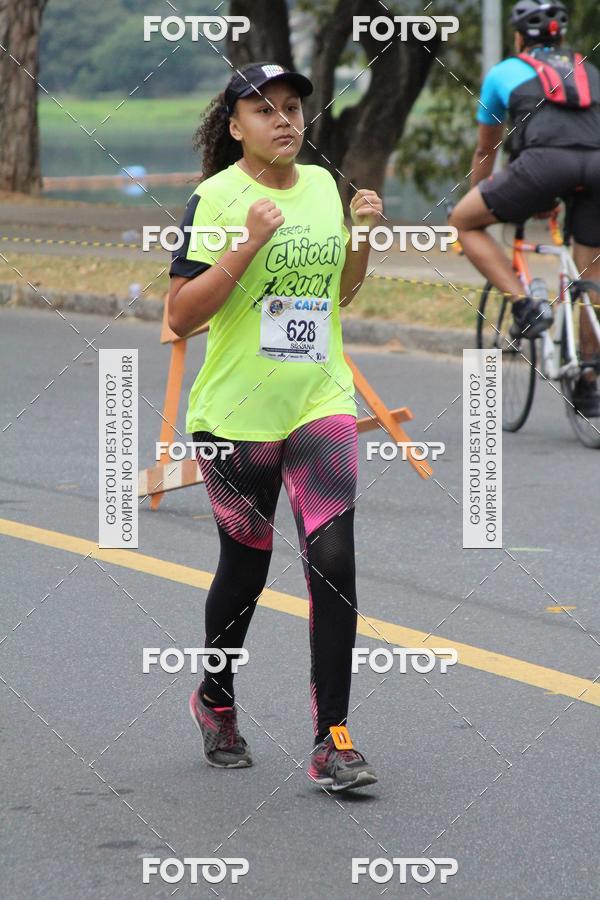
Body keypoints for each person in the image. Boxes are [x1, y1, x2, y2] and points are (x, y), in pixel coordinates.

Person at [168, 61, 383, 790]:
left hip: (319, 400)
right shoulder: (216, 197)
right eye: (265, 110)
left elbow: (342, 294)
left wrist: (360, 238)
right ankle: (216, 699)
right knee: (246, 567)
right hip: (236, 414)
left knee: (337, 565)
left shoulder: (325, 187)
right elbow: (178, 315)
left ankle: (333, 739)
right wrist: (249, 240)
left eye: (292, 107)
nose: (284, 119)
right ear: (235, 127)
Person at [450, 0, 600, 416]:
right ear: (562, 37)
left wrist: (480, 196)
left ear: (519, 37)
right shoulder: (590, 70)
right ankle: (588, 382)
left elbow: (487, 146)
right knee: (590, 276)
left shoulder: (504, 73)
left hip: (543, 165)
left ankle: (526, 307)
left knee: (464, 221)